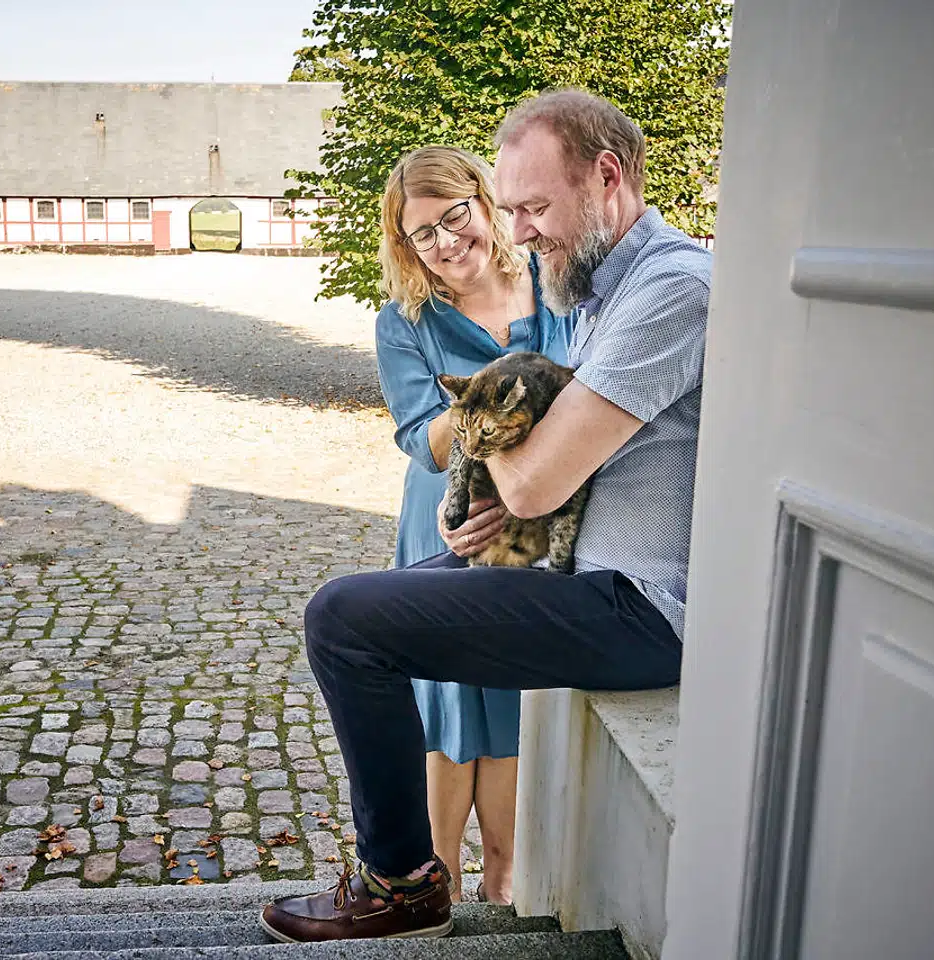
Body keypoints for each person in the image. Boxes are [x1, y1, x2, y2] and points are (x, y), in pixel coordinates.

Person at [259, 88, 713, 944]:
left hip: (640, 605)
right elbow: (540, 463)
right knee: (361, 612)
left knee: (345, 619)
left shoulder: (671, 288)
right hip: (569, 565)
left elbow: (538, 481)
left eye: (534, 208)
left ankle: (401, 885)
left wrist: (490, 426)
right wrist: (497, 508)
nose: (524, 231)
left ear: (607, 177)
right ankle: (412, 870)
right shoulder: (596, 283)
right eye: (512, 211)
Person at [373, 145, 567, 905]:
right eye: (423, 233)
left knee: (513, 693)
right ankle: (436, 882)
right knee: (449, 699)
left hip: (530, 526)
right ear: (406, 245)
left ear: (484, 206)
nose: (447, 241)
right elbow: (421, 436)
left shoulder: (557, 288)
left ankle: (507, 879)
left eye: (455, 216)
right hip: (448, 519)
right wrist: (502, 396)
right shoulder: (405, 321)